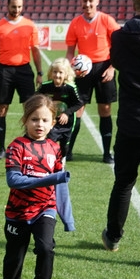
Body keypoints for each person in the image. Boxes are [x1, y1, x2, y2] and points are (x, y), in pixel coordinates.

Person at [0, 94, 68, 279]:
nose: (40, 124)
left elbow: (61, 185)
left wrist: (68, 217)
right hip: (18, 211)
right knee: (15, 255)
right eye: (34, 119)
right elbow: (14, 180)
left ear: (52, 123)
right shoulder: (16, 146)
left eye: (45, 120)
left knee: (46, 248)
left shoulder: (55, 148)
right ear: (25, 120)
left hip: (45, 208)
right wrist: (47, 179)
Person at [102, 0, 140, 253]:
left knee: (124, 182)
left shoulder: (119, 36)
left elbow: (116, 62)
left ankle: (113, 236)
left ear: (133, 2)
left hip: (131, 121)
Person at [64, 0, 119, 162]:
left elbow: (118, 46)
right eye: (84, 1)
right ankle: (68, 151)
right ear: (81, 2)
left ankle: (106, 153)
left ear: (97, 2)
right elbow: (70, 51)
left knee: (105, 110)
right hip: (82, 72)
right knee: (77, 109)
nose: (87, 4)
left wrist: (112, 68)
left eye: (90, 1)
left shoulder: (107, 20)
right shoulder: (75, 23)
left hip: (104, 69)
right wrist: (68, 69)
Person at [0, 0, 43, 159]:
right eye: (13, 7)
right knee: (2, 108)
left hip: (24, 70)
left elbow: (35, 51)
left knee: (30, 108)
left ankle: (30, 147)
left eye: (19, 7)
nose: (16, 10)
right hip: (5, 71)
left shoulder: (29, 25)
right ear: (7, 6)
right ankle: (1, 148)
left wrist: (39, 73)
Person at [37, 58, 81, 232]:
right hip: (52, 124)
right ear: (51, 73)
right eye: (55, 72)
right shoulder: (46, 86)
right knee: (49, 142)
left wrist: (67, 113)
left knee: (64, 148)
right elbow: (36, 98)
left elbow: (78, 103)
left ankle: (61, 163)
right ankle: (48, 164)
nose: (57, 75)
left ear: (66, 74)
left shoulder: (70, 88)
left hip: (67, 124)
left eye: (60, 73)